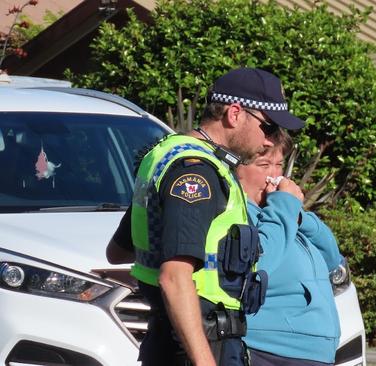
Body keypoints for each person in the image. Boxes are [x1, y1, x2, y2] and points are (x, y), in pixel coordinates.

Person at [105, 67, 305, 366]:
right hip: (198, 343)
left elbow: (119, 250)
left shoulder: (168, 156)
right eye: (268, 128)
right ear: (234, 114)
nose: (270, 141)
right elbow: (174, 277)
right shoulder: (196, 173)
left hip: (175, 337)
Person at [237, 130, 343, 366]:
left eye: (279, 165)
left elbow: (332, 257)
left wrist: (298, 217)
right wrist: (284, 207)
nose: (274, 177)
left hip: (314, 353)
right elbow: (260, 261)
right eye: (264, 165)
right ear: (237, 170)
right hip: (269, 350)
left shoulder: (280, 212)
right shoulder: (240, 214)